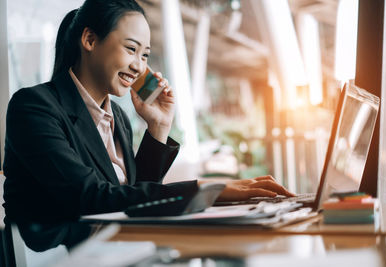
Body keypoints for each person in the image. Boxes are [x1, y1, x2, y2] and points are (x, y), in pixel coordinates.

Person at [3, 0, 293, 227]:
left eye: (145, 55)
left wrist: (158, 126)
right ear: (90, 40)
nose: (140, 67)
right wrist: (207, 188)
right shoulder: (33, 107)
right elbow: (89, 198)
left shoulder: (118, 118)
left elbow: (137, 198)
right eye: (131, 49)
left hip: (116, 251)